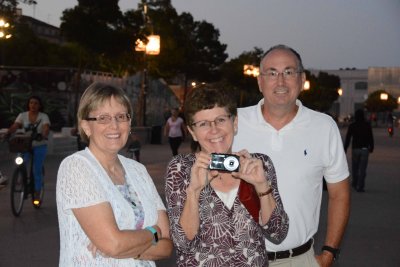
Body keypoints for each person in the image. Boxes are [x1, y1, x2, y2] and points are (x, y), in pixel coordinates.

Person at [232, 44, 350, 267]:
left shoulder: (323, 127)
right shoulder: (233, 122)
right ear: (260, 81)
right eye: (272, 73)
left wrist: (329, 253)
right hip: (237, 258)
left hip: (298, 260)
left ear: (302, 79)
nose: (280, 82)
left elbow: (340, 194)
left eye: (289, 72)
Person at [165, 86, 289, 266]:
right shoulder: (181, 169)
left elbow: (278, 233)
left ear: (235, 123)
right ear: (192, 132)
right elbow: (182, 243)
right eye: (203, 124)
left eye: (221, 119)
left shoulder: (258, 165)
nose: (214, 130)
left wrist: (261, 186)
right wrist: (194, 191)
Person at [56, 82, 173, 266]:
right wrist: (153, 232)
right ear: (86, 126)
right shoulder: (76, 167)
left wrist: (125, 248)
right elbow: (114, 244)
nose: (115, 125)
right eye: (103, 118)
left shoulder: (138, 171)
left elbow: (166, 246)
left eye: (121, 116)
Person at [6, 95, 50, 200]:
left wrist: (43, 134)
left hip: (39, 146)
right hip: (25, 145)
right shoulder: (22, 115)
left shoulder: (44, 116)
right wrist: (7, 132)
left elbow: (46, 128)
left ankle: (37, 192)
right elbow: (15, 126)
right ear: (28, 104)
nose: (33, 105)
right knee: (20, 161)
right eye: (31, 103)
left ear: (39, 106)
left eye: (35, 103)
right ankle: (20, 176)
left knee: (37, 170)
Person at [344, 109, 374, 192]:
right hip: (365, 149)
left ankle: (355, 182)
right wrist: (371, 147)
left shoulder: (352, 125)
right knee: (363, 169)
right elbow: (370, 137)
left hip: (355, 149)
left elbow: (348, 138)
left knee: (355, 168)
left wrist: (345, 148)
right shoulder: (367, 125)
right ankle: (360, 186)